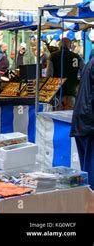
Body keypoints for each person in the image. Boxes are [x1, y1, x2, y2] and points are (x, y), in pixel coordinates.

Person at [70, 50, 94, 189]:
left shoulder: (89, 62)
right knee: (90, 169)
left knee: (87, 167)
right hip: (89, 122)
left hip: (83, 120)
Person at [47, 38, 84, 110]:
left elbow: (49, 75)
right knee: (70, 115)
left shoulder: (52, 56)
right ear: (69, 46)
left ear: (59, 45)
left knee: (58, 115)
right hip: (72, 91)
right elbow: (84, 70)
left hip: (58, 92)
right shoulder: (77, 57)